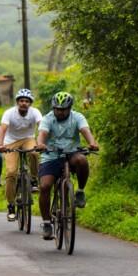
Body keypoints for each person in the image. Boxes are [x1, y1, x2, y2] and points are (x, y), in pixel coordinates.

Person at [35, 91, 99, 240]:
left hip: (72, 153)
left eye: (63, 109)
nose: (60, 112)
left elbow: (85, 130)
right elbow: (42, 134)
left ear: (70, 108)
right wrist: (41, 144)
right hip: (51, 155)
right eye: (57, 109)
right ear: (53, 108)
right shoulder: (47, 119)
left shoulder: (77, 117)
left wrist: (92, 143)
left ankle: (80, 191)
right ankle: (47, 223)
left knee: (82, 160)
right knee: (45, 186)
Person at [0, 88, 42, 221]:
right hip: (10, 142)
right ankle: (11, 205)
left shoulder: (35, 112)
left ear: (30, 103)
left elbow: (42, 127)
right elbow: (2, 129)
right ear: (17, 102)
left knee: (34, 153)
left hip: (28, 139)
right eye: (21, 101)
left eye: (27, 101)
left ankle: (34, 179)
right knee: (11, 173)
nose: (24, 103)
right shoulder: (9, 113)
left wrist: (42, 142)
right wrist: (0, 145)